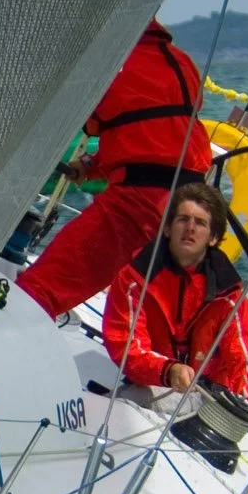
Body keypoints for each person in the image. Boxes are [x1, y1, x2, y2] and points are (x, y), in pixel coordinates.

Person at [15, 19, 214, 320]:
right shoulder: (182, 61)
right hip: (189, 200)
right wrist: (92, 167)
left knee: (41, 291)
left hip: (137, 205)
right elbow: (156, 131)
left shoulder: (112, 60)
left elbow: (77, 113)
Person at [101, 181, 248, 405]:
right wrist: (169, 370)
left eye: (200, 223)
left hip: (210, 397)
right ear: (167, 228)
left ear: (213, 238)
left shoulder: (227, 293)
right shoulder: (134, 280)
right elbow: (126, 344)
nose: (190, 228)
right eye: (183, 219)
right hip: (153, 385)